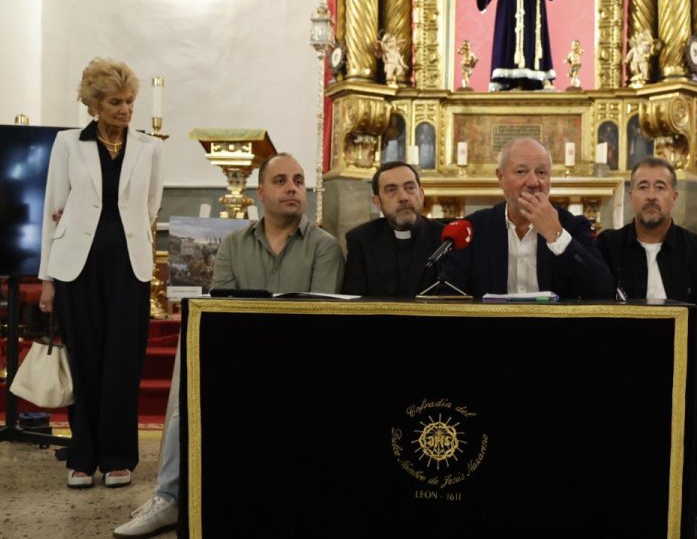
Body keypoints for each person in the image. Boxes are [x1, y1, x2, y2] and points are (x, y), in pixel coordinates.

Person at [115, 153, 342, 537]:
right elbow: (222, 306)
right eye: (282, 180)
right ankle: (170, 498)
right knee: (185, 368)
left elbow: (315, 314)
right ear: (260, 193)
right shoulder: (233, 244)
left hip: (302, 356)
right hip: (242, 350)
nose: (292, 188)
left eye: (299, 181)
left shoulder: (325, 246)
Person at [38, 58, 164, 490]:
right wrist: (47, 279)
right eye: (115, 102)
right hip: (76, 266)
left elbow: (150, 208)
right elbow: (52, 213)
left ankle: (118, 457)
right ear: (94, 104)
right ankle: (82, 457)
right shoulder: (68, 144)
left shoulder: (149, 147)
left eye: (130, 101)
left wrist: (130, 240)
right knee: (85, 360)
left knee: (123, 364)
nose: (126, 109)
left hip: (129, 267)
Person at [596, 157, 697, 539]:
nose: (651, 196)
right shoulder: (607, 246)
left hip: (687, 358)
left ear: (673, 196)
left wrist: (681, 354)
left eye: (659, 187)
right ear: (630, 196)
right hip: (625, 361)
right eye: (642, 187)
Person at [443, 137, 612, 299]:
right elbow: (448, 294)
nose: (533, 182)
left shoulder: (573, 226)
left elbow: (603, 291)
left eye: (541, 172)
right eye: (521, 172)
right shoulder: (473, 229)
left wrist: (557, 236)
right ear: (500, 177)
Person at [342, 161, 446, 296]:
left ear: (421, 194)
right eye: (391, 190)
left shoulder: (445, 238)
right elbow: (353, 301)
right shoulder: (361, 240)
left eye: (410, 188)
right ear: (377, 202)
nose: (403, 197)